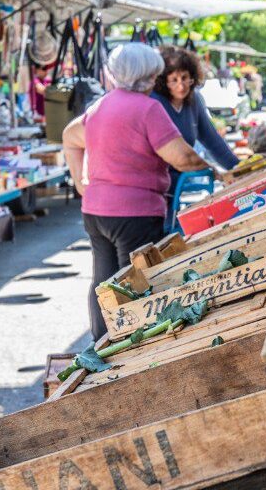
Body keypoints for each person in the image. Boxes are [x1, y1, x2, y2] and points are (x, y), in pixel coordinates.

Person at [62, 43, 209, 340]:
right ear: (151, 74)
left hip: (96, 211)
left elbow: (69, 136)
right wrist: (214, 170)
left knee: (103, 282)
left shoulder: (101, 105)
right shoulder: (148, 108)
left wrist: (81, 182)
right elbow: (182, 157)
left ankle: (101, 342)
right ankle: (134, 349)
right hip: (136, 212)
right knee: (137, 282)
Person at [152, 47, 241, 226]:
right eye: (174, 80)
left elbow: (212, 140)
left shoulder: (194, 101)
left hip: (178, 186)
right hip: (155, 187)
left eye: (185, 78)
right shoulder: (155, 104)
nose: (181, 85)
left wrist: (238, 170)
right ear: (163, 81)